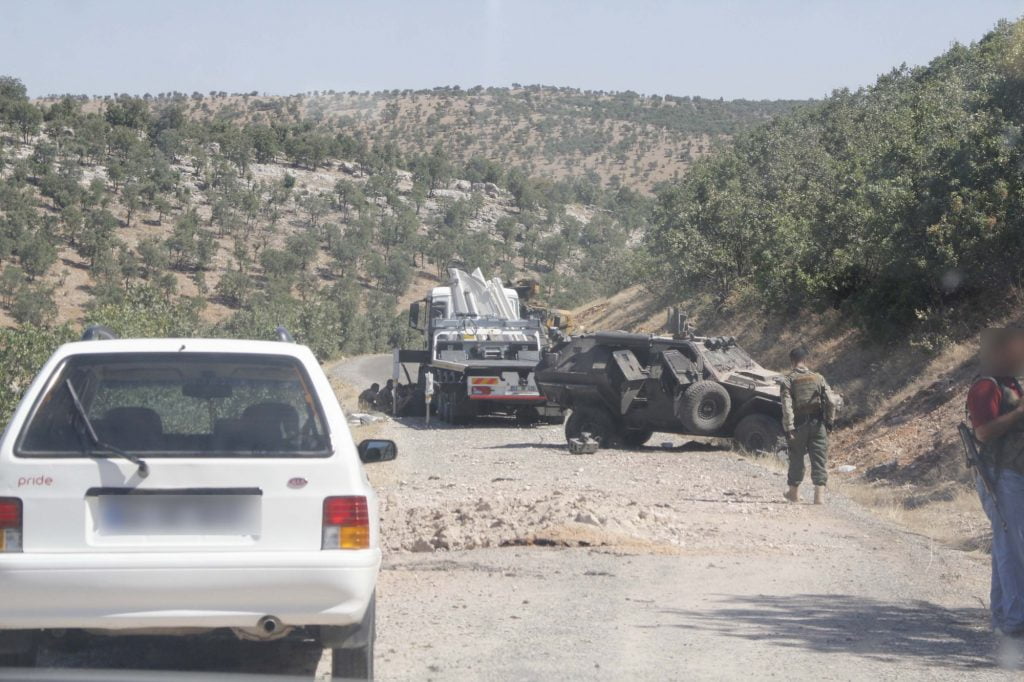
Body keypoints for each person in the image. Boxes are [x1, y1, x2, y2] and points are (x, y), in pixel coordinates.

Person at [966, 328, 1024, 649]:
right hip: (1001, 476)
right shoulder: (986, 386)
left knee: (1009, 544)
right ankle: (1014, 621)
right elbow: (983, 433)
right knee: (1012, 546)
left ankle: (1005, 619)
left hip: (1014, 473)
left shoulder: (1010, 383)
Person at [780, 346, 838, 505]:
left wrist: (789, 427)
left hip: (798, 425)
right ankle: (819, 497)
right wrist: (829, 422)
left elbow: (787, 406)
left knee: (796, 458)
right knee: (819, 459)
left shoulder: (788, 380)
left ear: (792, 361)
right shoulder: (818, 378)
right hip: (818, 424)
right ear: (805, 360)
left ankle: (793, 494)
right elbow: (832, 401)